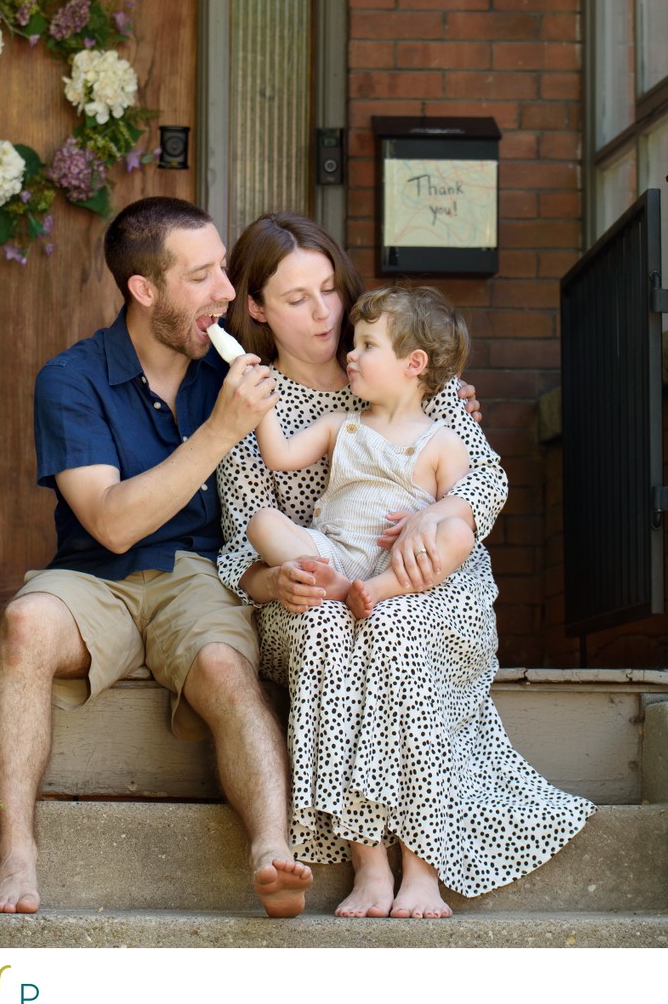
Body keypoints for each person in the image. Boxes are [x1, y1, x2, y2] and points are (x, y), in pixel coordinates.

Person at [217, 212, 595, 920]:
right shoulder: (254, 400)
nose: (325, 311)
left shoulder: (406, 368)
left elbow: (481, 478)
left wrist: (439, 514)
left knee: (398, 631)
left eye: (329, 288)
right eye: (297, 299)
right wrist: (275, 581)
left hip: (422, 580)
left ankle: (423, 856)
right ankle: (366, 864)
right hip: (312, 591)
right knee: (332, 633)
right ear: (257, 308)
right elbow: (243, 538)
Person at [0, 196, 313, 919]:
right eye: (202, 276)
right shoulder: (71, 379)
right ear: (144, 289)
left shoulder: (231, 364)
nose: (226, 291)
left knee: (227, 667)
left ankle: (273, 850)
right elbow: (111, 524)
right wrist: (220, 433)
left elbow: (347, 376)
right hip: (93, 573)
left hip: (195, 574)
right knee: (25, 627)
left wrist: (437, 404)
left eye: (223, 268)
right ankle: (17, 850)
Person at [247, 284, 477, 619]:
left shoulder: (443, 442)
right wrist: (262, 397)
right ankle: (338, 586)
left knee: (457, 535)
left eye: (367, 345)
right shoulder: (339, 424)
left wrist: (425, 521)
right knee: (262, 522)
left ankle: (378, 590)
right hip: (333, 552)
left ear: (414, 363)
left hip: (398, 558)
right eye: (354, 343)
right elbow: (279, 456)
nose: (351, 354)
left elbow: (460, 508)